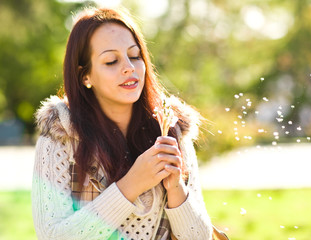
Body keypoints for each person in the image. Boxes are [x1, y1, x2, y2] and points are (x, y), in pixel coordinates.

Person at [31, 6, 213, 240]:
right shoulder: (61, 135)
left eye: (135, 55)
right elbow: (52, 236)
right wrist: (132, 183)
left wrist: (175, 186)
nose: (129, 67)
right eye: (111, 61)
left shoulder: (170, 129)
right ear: (85, 76)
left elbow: (200, 237)